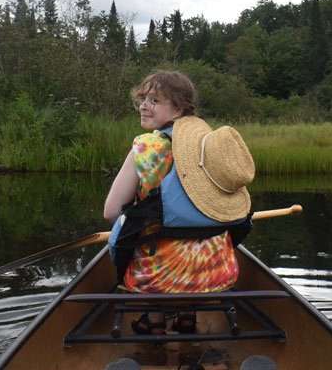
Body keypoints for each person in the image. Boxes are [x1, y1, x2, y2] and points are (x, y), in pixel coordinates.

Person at [103, 70, 255, 334]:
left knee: (138, 239)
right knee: (192, 245)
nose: (143, 106)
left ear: (178, 108)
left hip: (158, 279)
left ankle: (154, 323)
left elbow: (110, 212)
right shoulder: (211, 147)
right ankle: (187, 320)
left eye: (154, 100)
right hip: (218, 273)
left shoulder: (147, 146)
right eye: (143, 99)